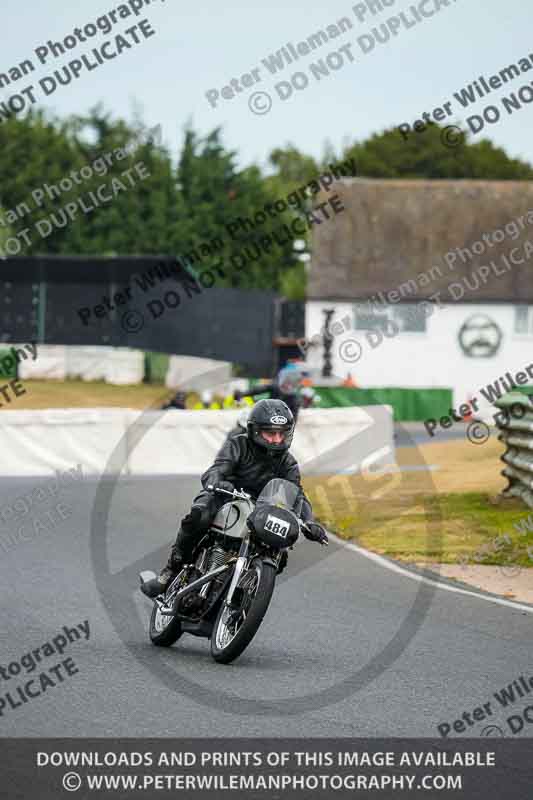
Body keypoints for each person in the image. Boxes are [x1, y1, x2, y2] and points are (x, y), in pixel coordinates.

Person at [141, 398, 328, 598]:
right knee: (199, 516)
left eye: (281, 434)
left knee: (279, 554)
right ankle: (169, 572)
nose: (276, 440)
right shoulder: (238, 445)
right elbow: (217, 469)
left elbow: (297, 493)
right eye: (270, 433)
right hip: (225, 497)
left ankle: (245, 592)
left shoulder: (288, 462)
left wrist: (309, 522)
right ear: (255, 430)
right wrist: (218, 482)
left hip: (260, 509)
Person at [234, 365, 307, 421]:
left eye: (290, 384)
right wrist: (243, 394)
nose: (286, 385)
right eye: (286, 382)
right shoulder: (276, 387)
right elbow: (259, 390)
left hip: (278, 422)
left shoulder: (295, 399)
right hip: (266, 414)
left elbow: (293, 418)